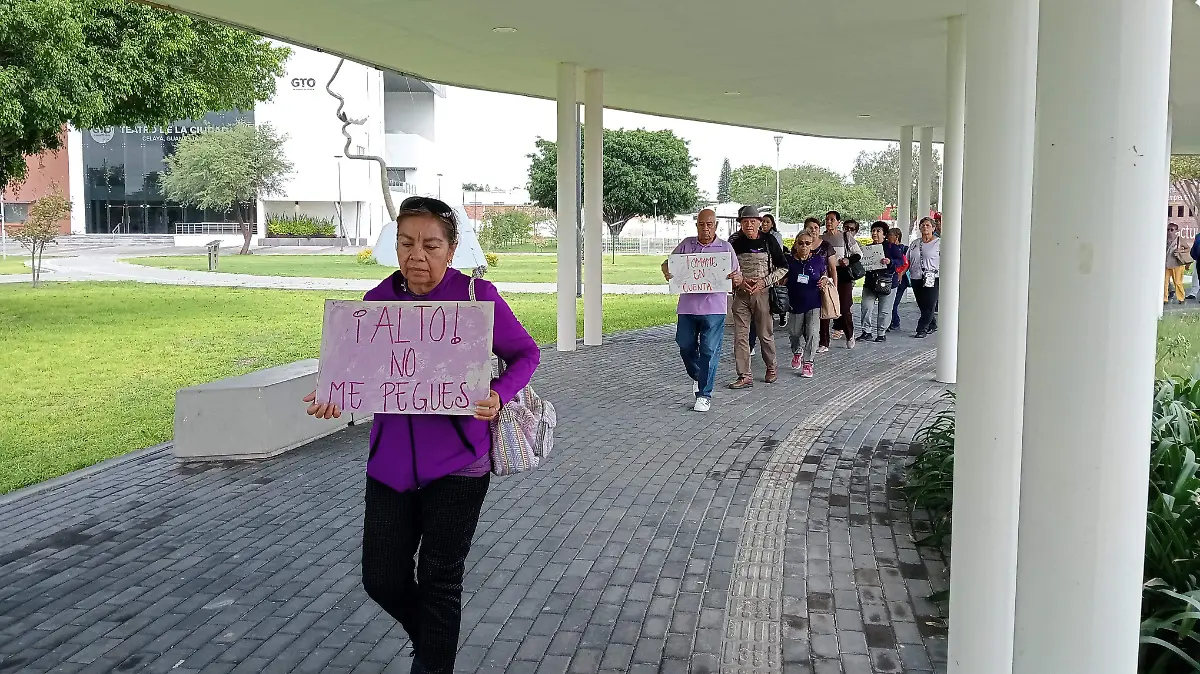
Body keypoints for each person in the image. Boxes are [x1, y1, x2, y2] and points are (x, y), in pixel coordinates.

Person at [304, 196, 541, 674]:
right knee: (382, 578)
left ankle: (433, 659)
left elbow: (526, 354)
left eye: (431, 245)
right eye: (407, 243)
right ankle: (433, 640)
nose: (417, 255)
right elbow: (357, 377)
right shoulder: (374, 305)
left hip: (459, 464)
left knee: (440, 579)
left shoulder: (477, 299)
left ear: (452, 249)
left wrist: (499, 392)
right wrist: (334, 397)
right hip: (389, 464)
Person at [662, 209, 742, 412]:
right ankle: (700, 375)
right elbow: (668, 264)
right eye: (701, 224)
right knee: (684, 345)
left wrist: (737, 279)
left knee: (708, 350)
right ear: (696, 225)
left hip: (714, 307)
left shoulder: (725, 248)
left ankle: (704, 394)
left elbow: (737, 276)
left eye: (709, 224)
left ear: (716, 226)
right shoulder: (687, 244)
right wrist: (667, 271)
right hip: (688, 307)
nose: (705, 228)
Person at [728, 205, 788, 389]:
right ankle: (744, 375)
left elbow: (783, 268)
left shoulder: (769, 240)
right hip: (741, 294)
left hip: (762, 293)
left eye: (752, 221)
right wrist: (740, 281)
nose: (749, 225)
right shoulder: (734, 243)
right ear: (740, 224)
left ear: (760, 223)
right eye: (745, 222)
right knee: (740, 336)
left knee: (765, 334)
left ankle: (771, 366)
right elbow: (726, 269)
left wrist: (764, 282)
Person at [785, 232, 829, 378]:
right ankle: (797, 351)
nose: (804, 246)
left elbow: (824, 274)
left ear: (812, 245)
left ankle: (808, 362)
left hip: (813, 302)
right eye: (801, 243)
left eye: (807, 243)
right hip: (794, 303)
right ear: (796, 244)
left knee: (812, 333)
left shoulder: (817, 260)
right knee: (794, 333)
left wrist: (824, 280)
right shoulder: (789, 260)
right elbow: (781, 277)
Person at [858, 221, 907, 343]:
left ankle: (881, 333)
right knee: (866, 307)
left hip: (888, 282)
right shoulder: (867, 248)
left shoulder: (892, 247)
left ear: (884, 234)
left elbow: (901, 261)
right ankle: (866, 332)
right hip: (870, 283)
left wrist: (890, 262)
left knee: (885, 310)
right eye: (873, 231)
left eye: (878, 231)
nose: (875, 233)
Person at [820, 211, 863, 349]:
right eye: (827, 219)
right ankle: (824, 342)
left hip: (843, 274)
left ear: (838, 222)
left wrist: (848, 260)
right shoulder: (822, 238)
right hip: (826, 274)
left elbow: (858, 254)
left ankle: (849, 335)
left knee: (844, 307)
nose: (829, 222)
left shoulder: (845, 236)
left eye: (832, 219)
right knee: (825, 307)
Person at [908, 217, 941, 338]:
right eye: (923, 225)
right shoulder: (915, 243)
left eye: (928, 225)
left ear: (933, 228)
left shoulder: (939, 243)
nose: (925, 227)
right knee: (922, 304)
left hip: (932, 277)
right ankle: (932, 324)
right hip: (916, 276)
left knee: (929, 304)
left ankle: (921, 329)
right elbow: (908, 259)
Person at [761, 213, 788, 328]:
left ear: (772, 224)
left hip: (774, 267)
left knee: (777, 292)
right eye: (763, 221)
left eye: (767, 221)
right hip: (763, 268)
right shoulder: (759, 235)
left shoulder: (776, 236)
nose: (765, 224)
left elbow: (779, 253)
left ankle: (782, 312)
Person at [888, 227, 910, 331]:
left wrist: (900, 274)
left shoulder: (903, 249)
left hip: (901, 280)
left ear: (896, 237)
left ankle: (895, 321)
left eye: (890, 235)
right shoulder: (888, 248)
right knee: (890, 301)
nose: (888, 237)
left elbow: (906, 264)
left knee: (894, 302)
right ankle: (892, 321)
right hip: (891, 277)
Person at [1166, 222, 1187, 305]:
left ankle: (1181, 298)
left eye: (1172, 230)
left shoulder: (1179, 239)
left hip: (1177, 264)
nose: (1169, 232)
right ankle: (1165, 298)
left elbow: (1187, 248)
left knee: (1177, 282)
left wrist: (1180, 251)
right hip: (1167, 264)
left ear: (1176, 231)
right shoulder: (1164, 239)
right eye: (1168, 230)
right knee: (1165, 282)